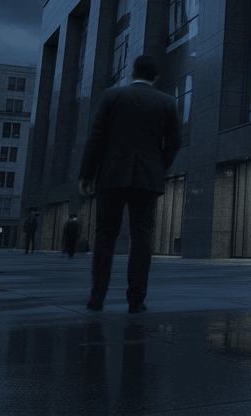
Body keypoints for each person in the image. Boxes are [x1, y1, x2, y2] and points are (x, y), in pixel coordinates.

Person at [79, 55, 181, 313]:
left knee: (104, 236)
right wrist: (158, 167)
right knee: (142, 237)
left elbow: (96, 137)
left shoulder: (112, 96)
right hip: (147, 178)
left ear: (132, 71)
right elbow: (174, 142)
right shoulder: (167, 102)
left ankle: (97, 298)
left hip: (111, 175)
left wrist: (86, 175)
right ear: (155, 77)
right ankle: (136, 300)